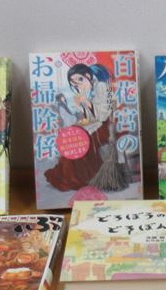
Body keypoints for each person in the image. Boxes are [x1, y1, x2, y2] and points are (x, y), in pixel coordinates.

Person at [43, 62, 130, 195]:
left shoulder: (101, 86)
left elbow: (102, 115)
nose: (77, 84)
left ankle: (80, 177)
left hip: (107, 126)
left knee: (78, 138)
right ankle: (71, 174)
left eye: (80, 79)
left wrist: (86, 103)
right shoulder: (87, 89)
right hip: (97, 124)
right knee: (73, 133)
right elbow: (89, 116)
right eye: (74, 82)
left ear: (89, 76)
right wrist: (83, 106)